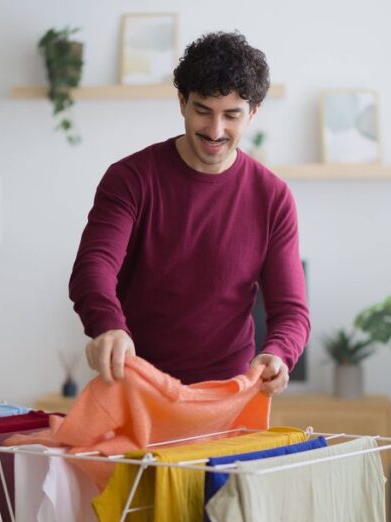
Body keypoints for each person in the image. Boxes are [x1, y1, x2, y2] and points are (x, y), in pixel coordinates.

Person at [68, 31, 309, 396]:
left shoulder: (273, 197)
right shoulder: (130, 179)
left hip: (228, 395)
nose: (215, 130)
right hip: (137, 384)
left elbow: (291, 310)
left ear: (254, 112)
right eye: (203, 111)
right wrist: (108, 326)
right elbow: (94, 266)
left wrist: (277, 354)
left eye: (231, 115)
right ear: (182, 101)